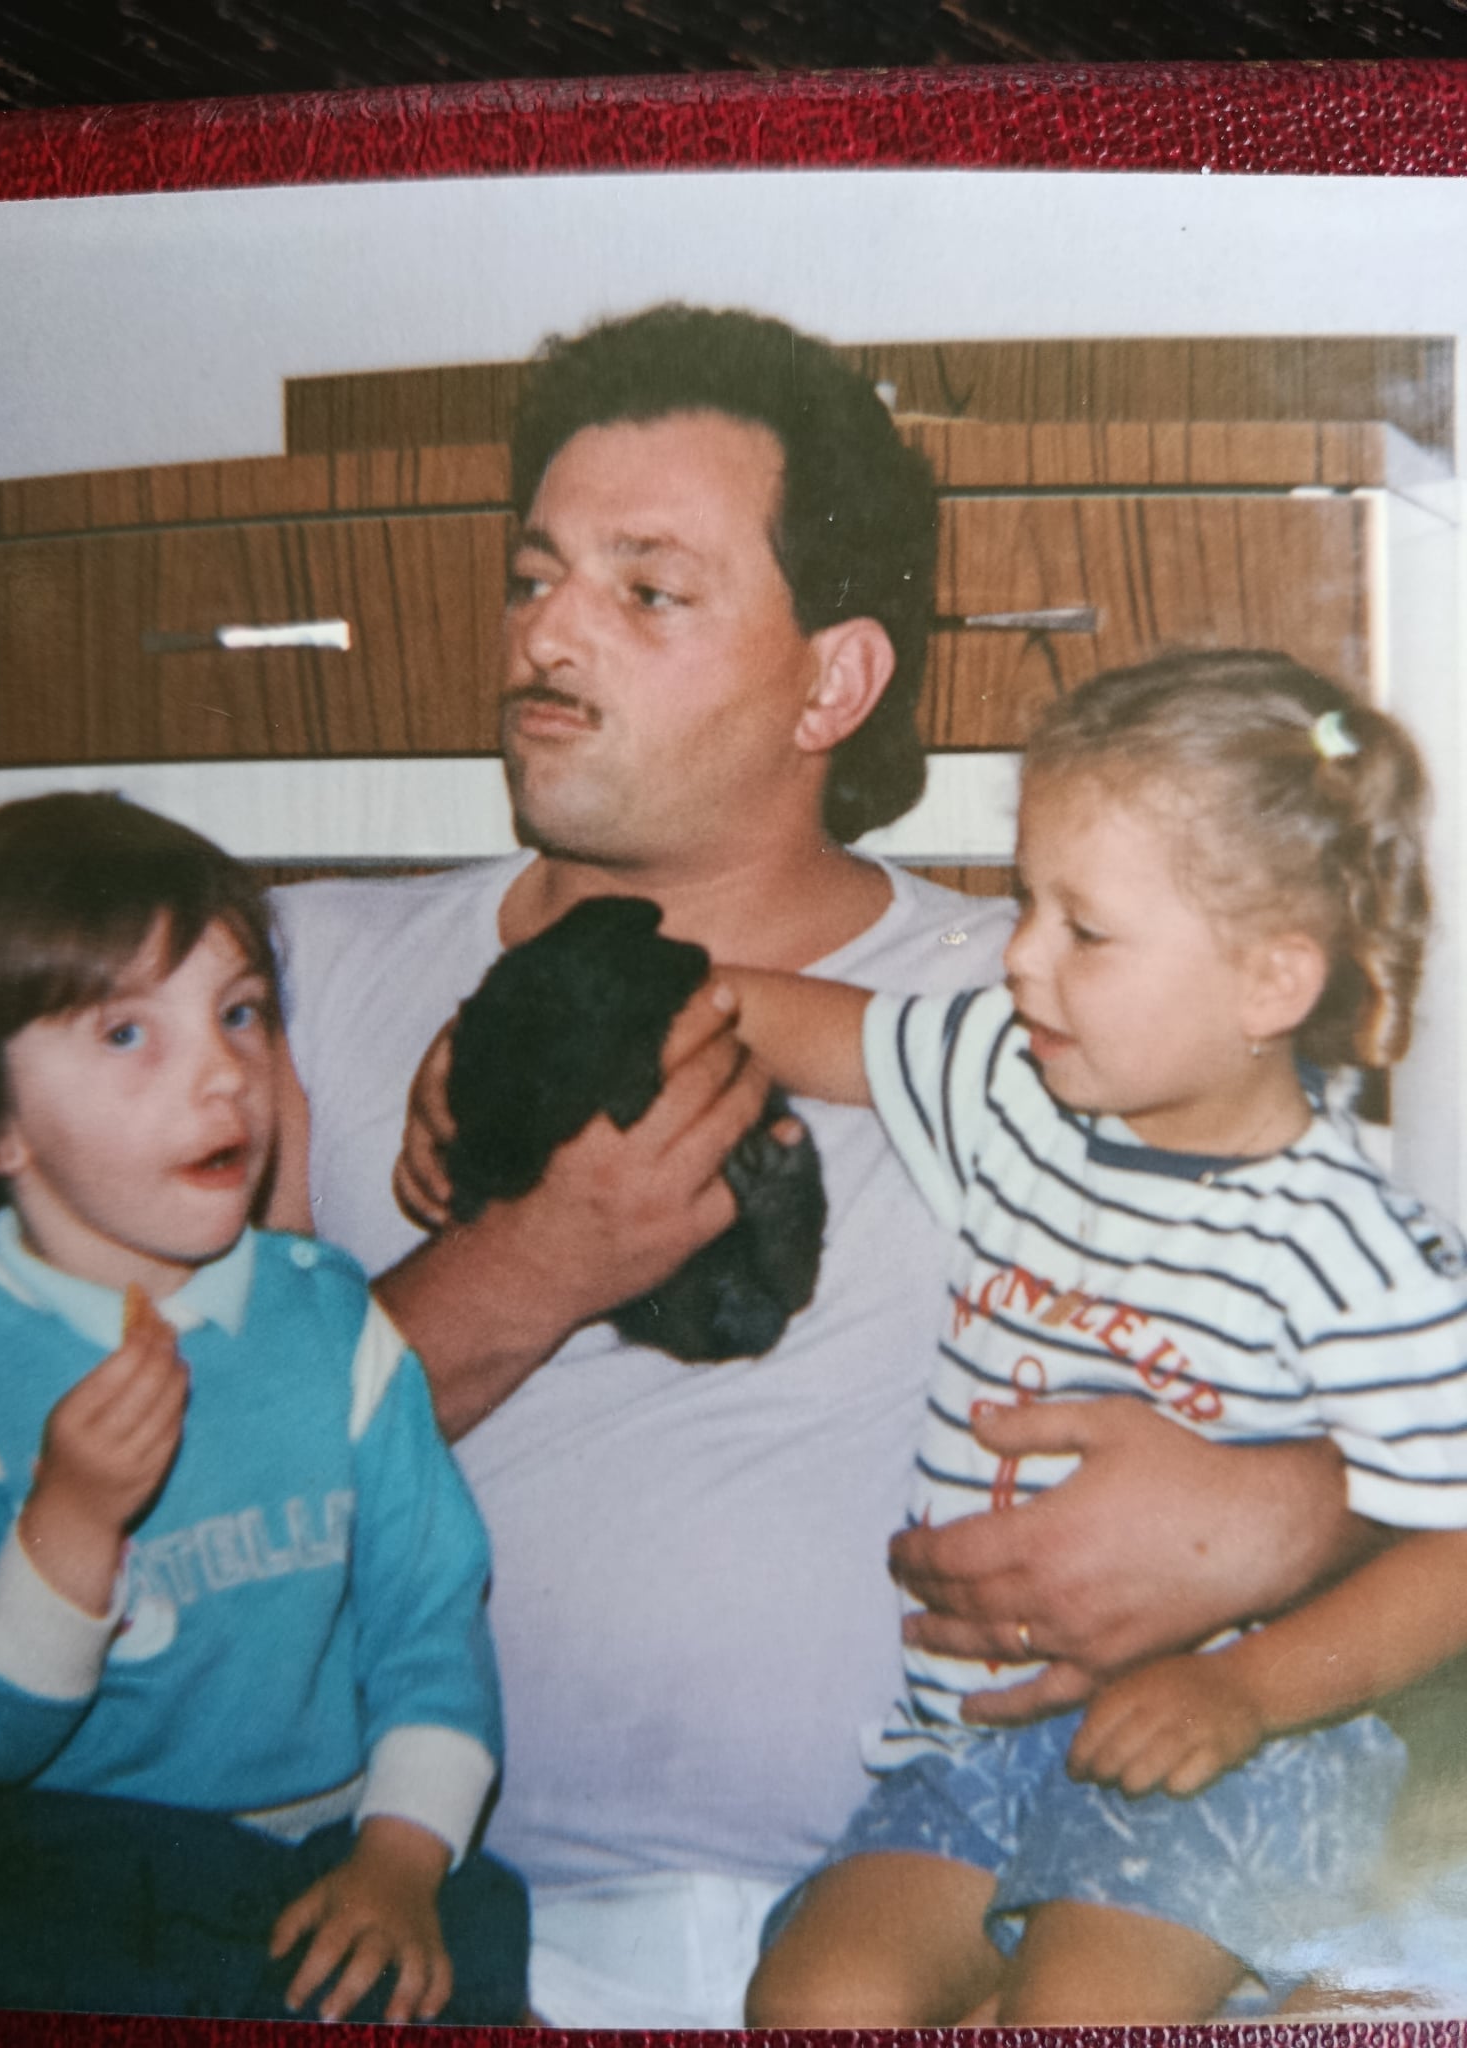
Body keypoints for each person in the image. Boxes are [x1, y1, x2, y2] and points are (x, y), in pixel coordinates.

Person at [268, 303, 1362, 2027]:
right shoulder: (287, 978)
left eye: (647, 589)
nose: (545, 629)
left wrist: (1286, 1513)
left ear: (832, 682)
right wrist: (532, 1264)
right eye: (534, 573)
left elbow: (1390, 1354)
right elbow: (91, 1501)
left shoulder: (1053, 1007)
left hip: (905, 1934)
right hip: (373, 1936)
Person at [721, 650, 1467, 2023]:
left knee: (1077, 2018)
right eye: (1026, 902)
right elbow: (782, 1021)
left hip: (1229, 1762)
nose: (1018, 954)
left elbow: (1455, 1548)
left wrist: (1247, 1690)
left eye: (1086, 929)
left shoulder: (1352, 1247)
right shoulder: (1003, 1077)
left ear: (1269, 984)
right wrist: (589, 1018)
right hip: (965, 1743)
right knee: (815, 2005)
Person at [0, 793, 527, 2024]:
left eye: (240, 1012)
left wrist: (400, 1855)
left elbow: (431, 1621)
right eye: (127, 1033)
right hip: (83, 1856)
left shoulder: (333, 1325)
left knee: (474, 1924)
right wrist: (71, 1522)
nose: (220, 1072)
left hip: (328, 1846)